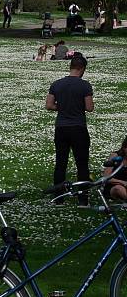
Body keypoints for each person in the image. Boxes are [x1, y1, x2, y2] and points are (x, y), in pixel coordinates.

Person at [46, 56, 94, 206]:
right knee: (82, 163)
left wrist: (62, 107)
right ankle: (82, 199)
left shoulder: (57, 84)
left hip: (61, 128)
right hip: (78, 127)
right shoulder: (85, 85)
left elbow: (49, 105)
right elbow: (89, 107)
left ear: (71, 67)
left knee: (61, 163)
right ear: (82, 69)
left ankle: (59, 198)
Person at [103, 136, 127, 201]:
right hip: (114, 187)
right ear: (124, 147)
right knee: (118, 188)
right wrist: (123, 182)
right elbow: (106, 178)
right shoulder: (115, 156)